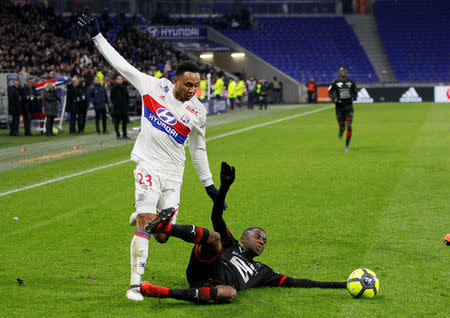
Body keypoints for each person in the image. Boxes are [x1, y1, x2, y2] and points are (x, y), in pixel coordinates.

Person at [78, 12, 224, 301]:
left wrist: (209, 186)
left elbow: (198, 148)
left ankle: (146, 217)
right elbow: (120, 64)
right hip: (147, 165)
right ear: (175, 81)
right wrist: (97, 37)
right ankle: (134, 284)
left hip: (173, 174)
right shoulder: (152, 87)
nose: (192, 91)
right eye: (187, 85)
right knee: (147, 220)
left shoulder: (198, 111)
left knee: (162, 234)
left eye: (196, 86)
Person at [140, 162, 347, 304]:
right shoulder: (232, 244)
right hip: (204, 266)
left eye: (264, 241)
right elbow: (216, 217)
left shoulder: (261, 271)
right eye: (258, 236)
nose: (262, 242)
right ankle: (167, 228)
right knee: (215, 237)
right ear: (244, 237)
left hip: (215, 284)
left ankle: (163, 293)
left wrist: (341, 285)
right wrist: (224, 188)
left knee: (230, 293)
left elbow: (296, 282)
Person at [328, 67, 358, 151]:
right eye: (341, 71)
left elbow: (355, 93)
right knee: (342, 127)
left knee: (349, 125)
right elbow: (329, 92)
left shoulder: (351, 83)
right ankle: (341, 131)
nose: (343, 72)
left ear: (347, 72)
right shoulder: (335, 82)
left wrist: (354, 97)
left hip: (348, 106)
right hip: (339, 107)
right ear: (339, 72)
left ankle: (347, 146)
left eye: (344, 70)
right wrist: (334, 99)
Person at [110, 74, 130, 139]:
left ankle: (125, 134)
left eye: (121, 79)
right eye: (119, 79)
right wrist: (115, 105)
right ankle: (118, 135)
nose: (120, 80)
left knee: (124, 122)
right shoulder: (114, 87)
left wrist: (127, 105)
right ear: (116, 80)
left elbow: (127, 97)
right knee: (117, 122)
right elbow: (112, 97)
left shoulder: (124, 87)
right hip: (117, 108)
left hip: (124, 107)